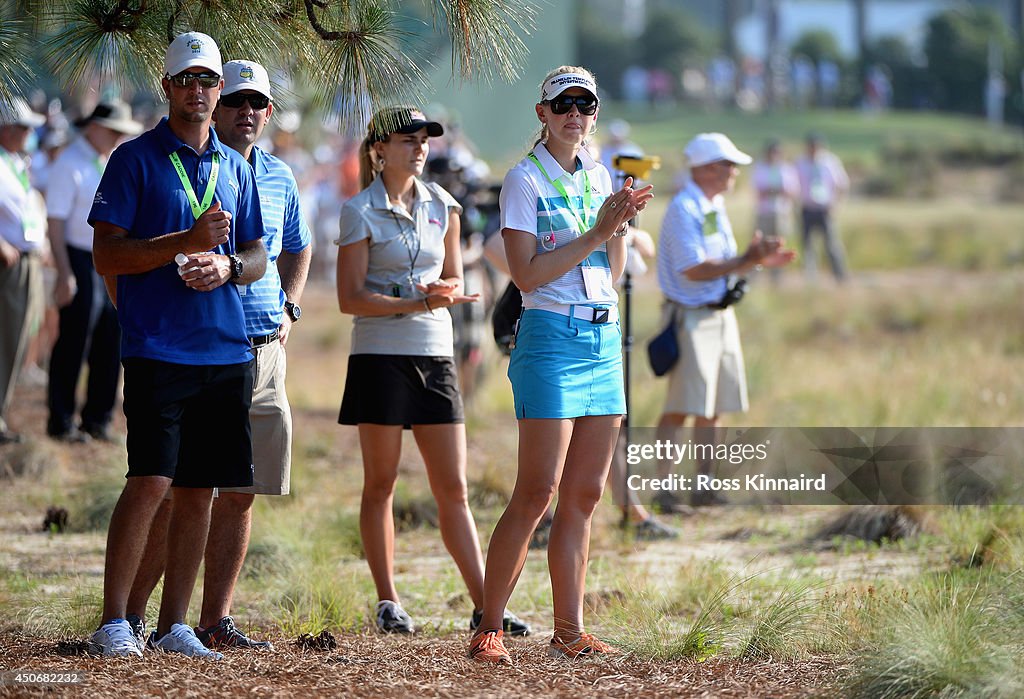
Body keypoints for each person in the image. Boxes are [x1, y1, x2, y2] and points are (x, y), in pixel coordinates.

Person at [86, 32, 267, 659]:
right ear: (167, 87)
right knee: (150, 481)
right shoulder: (134, 159)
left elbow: (256, 254)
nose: (199, 91)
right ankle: (114, 621)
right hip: (158, 346)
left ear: (219, 91)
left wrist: (227, 270)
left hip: (226, 349)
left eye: (209, 81)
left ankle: (175, 626)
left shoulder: (236, 166)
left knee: (201, 490)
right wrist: (180, 241)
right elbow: (106, 252)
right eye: (187, 80)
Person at [467, 66, 653, 664]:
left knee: (586, 495)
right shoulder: (523, 179)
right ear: (542, 113)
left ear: (594, 114)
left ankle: (569, 629)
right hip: (549, 338)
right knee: (536, 491)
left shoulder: (600, 174)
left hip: (603, 341)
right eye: (563, 104)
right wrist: (601, 229)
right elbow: (525, 275)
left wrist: (619, 225)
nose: (575, 114)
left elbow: (613, 272)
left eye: (585, 104)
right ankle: (489, 626)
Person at [124, 59, 311, 652]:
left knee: (236, 490)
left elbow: (295, 248)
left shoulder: (279, 175)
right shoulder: (178, 165)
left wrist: (291, 308)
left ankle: (210, 619)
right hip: (197, 347)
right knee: (174, 489)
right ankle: (130, 616)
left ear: (270, 113)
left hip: (262, 350)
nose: (245, 113)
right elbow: (125, 255)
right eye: (235, 102)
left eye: (257, 104)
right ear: (214, 103)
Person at [336, 105, 529, 638]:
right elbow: (349, 298)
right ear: (379, 149)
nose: (420, 146)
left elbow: (451, 276)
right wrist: (417, 300)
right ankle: (388, 600)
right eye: (407, 138)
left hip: (435, 355)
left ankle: (484, 605)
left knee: (454, 490)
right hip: (377, 356)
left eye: (424, 139)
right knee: (380, 485)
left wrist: (440, 293)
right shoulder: (358, 211)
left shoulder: (444, 205)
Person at [651, 133, 794, 514]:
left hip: (716, 313)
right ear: (708, 167)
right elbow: (694, 269)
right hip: (692, 316)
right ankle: (664, 490)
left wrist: (756, 259)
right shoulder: (685, 208)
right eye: (729, 165)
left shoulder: (710, 205)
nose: (734, 172)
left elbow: (721, 262)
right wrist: (747, 258)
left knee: (713, 406)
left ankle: (703, 486)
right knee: (682, 406)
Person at [45, 100, 143, 443]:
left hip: (108, 258)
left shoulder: (106, 162)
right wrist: (63, 270)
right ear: (93, 127)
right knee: (74, 341)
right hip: (78, 257)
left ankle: (98, 419)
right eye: (113, 130)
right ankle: (61, 420)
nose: (117, 137)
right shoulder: (68, 164)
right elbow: (55, 221)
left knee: (110, 340)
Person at [0, 96, 47, 444]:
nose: (28, 132)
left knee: (16, 340)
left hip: (26, 261)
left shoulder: (16, 161)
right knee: (6, 340)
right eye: (23, 127)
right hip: (8, 263)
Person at [795, 132, 849, 282]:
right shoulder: (800, 162)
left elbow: (842, 185)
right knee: (807, 246)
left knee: (832, 246)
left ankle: (840, 277)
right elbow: (793, 184)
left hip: (825, 208)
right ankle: (810, 278)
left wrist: (836, 205)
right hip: (807, 208)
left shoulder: (830, 162)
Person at [751, 139, 798, 284]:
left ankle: (777, 278)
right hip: (764, 212)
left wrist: (773, 190)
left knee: (779, 246)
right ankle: (755, 277)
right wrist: (774, 190)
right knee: (760, 245)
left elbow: (792, 190)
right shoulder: (760, 168)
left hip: (781, 212)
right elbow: (758, 191)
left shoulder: (786, 169)